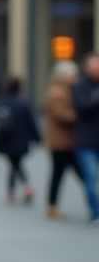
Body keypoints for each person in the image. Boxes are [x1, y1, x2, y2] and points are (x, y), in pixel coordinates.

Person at [0, 75, 41, 205]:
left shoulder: (2, 102)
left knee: (14, 164)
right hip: (20, 139)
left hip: (6, 139)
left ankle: (14, 191)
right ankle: (24, 188)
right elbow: (31, 123)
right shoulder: (23, 104)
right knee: (15, 164)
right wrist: (37, 138)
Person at [45, 60, 81, 220]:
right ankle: (52, 205)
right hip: (61, 141)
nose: (76, 79)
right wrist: (77, 115)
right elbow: (61, 115)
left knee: (59, 174)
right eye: (73, 76)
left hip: (65, 140)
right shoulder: (58, 92)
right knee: (64, 173)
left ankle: (52, 205)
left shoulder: (64, 90)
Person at [72, 52, 99, 225]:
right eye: (93, 66)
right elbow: (82, 107)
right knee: (90, 177)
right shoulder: (79, 86)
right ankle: (96, 212)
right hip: (86, 140)